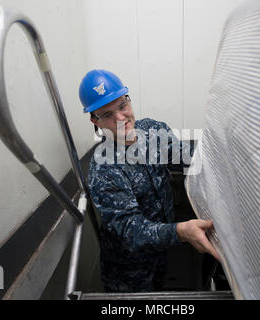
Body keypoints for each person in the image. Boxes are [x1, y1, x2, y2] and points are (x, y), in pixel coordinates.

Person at [80, 69, 219, 292]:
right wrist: (180, 231)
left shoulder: (153, 131)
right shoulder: (104, 169)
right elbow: (130, 229)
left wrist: (222, 153)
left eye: (122, 106)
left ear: (128, 101)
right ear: (94, 120)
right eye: (107, 115)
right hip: (129, 272)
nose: (120, 118)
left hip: (161, 254)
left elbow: (184, 156)